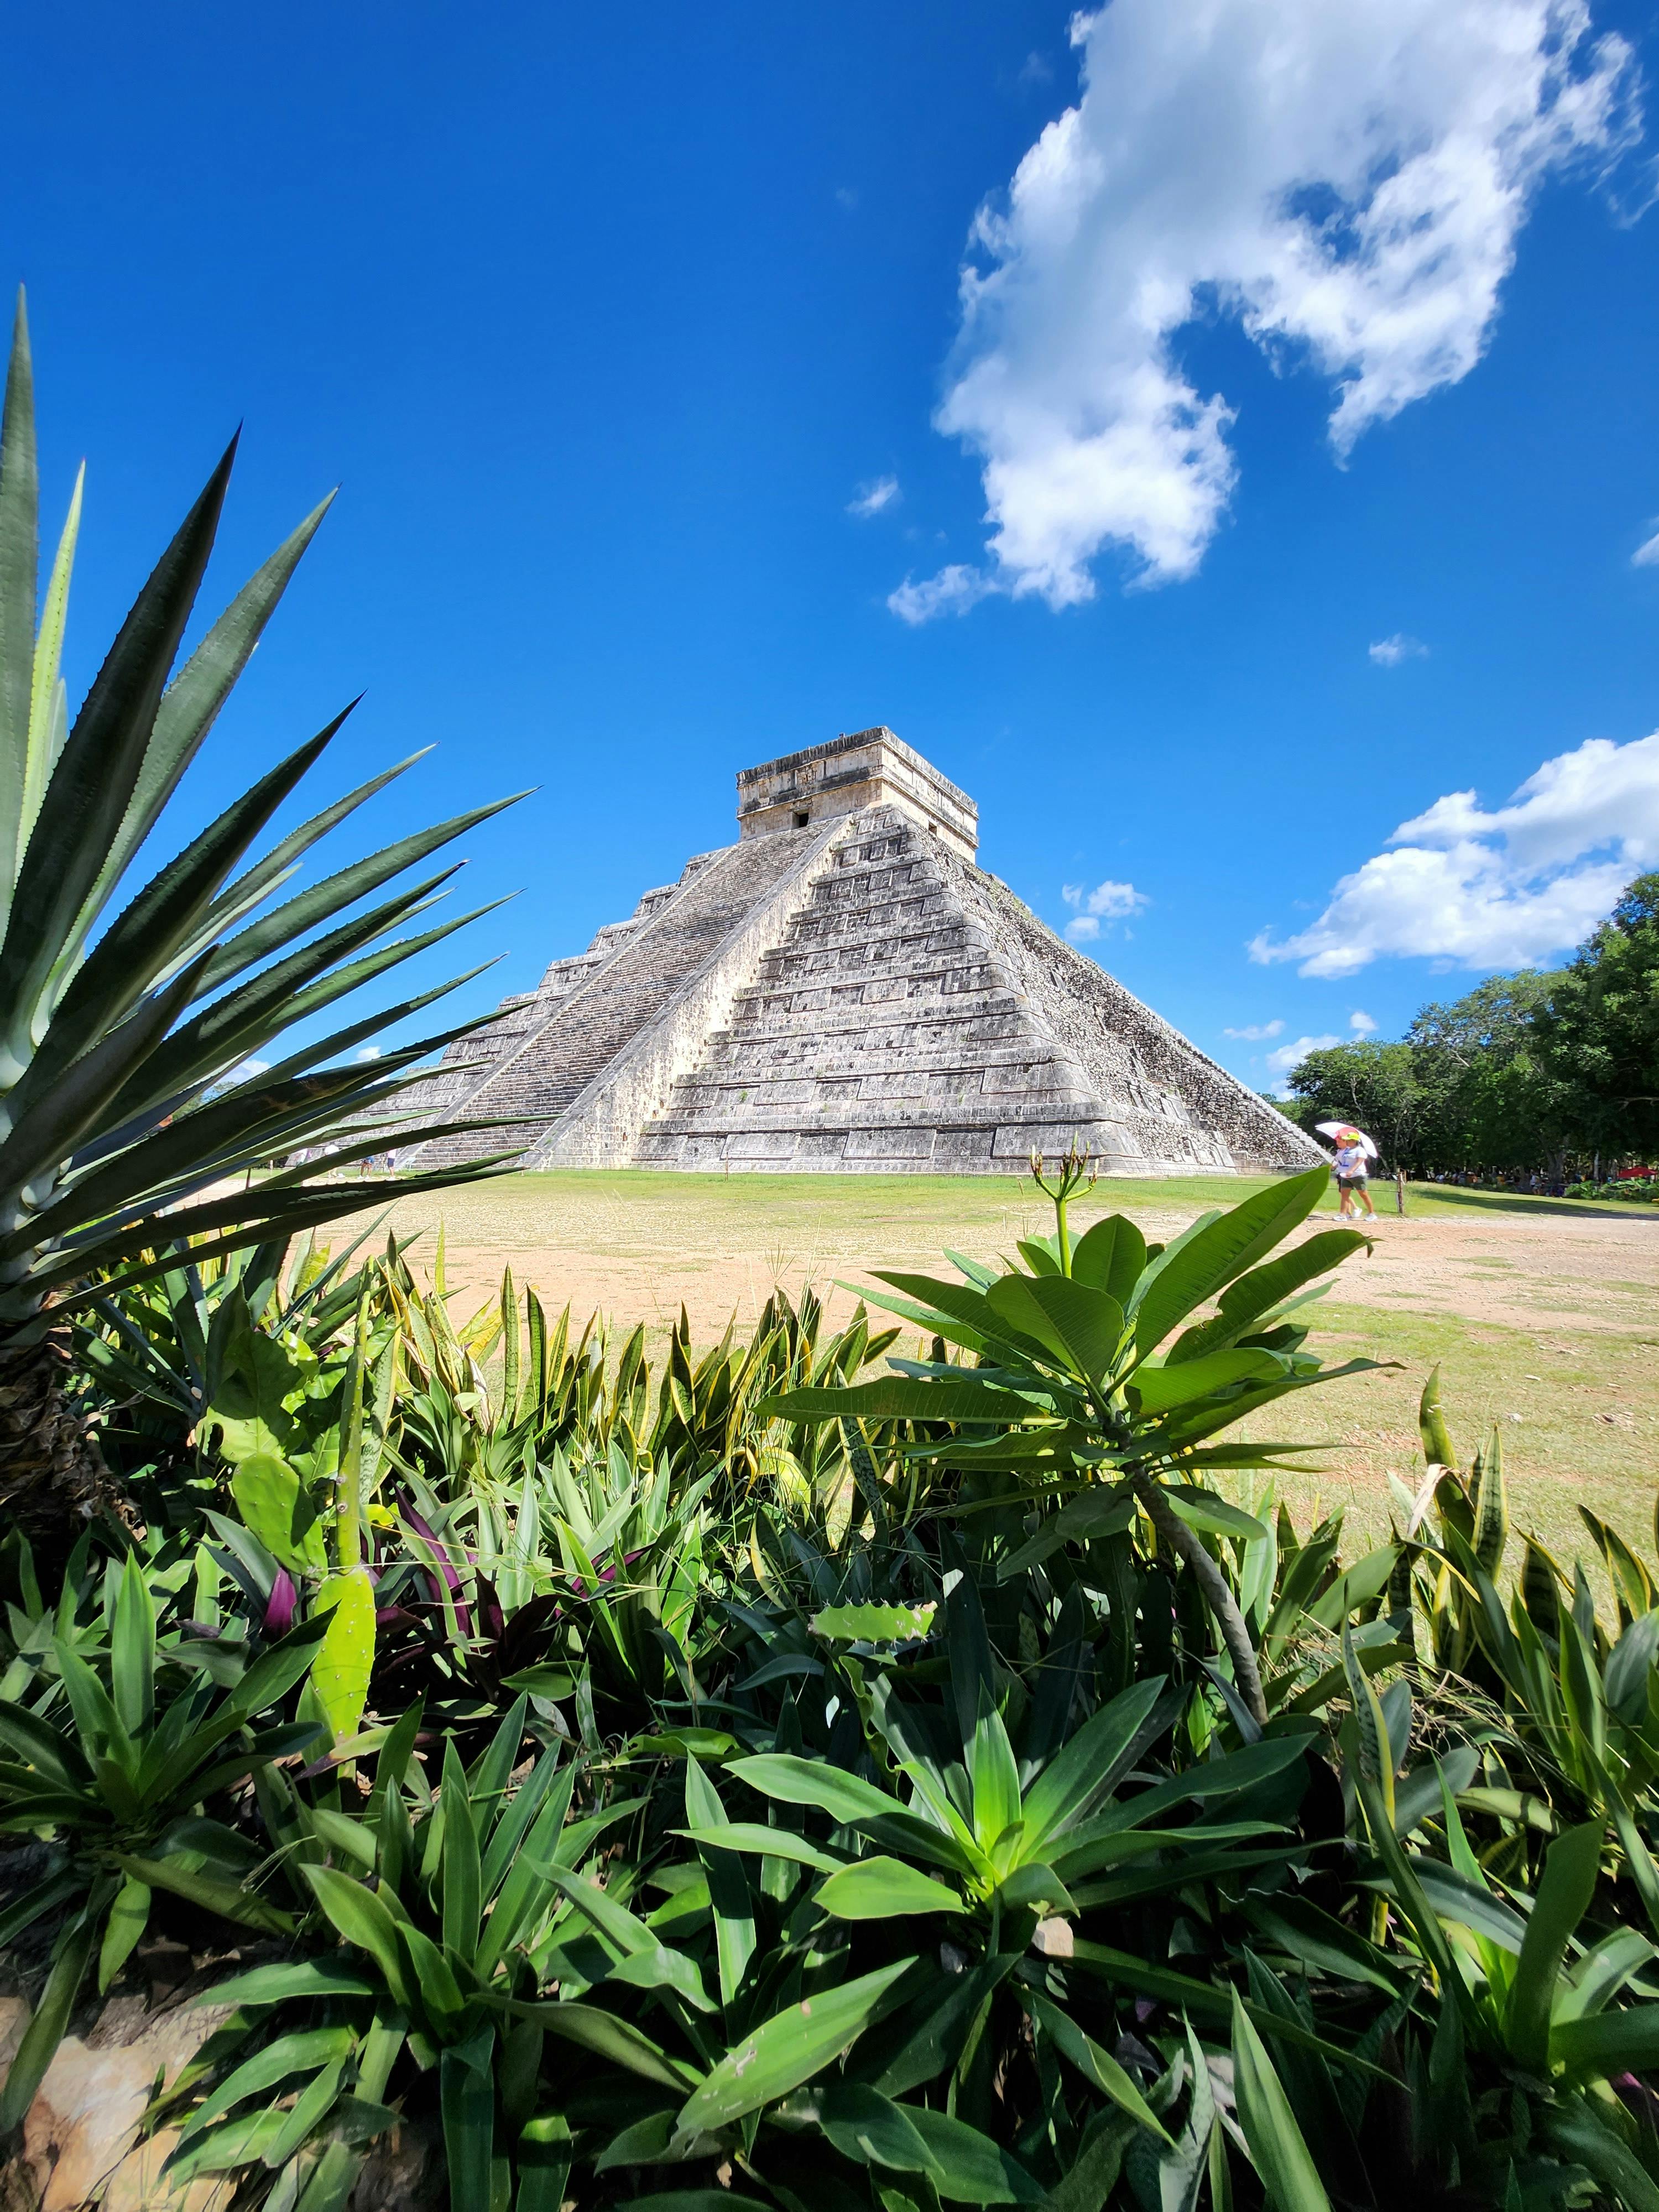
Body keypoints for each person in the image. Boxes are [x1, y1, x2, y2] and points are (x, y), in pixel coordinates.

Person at [1331, 1135, 1376, 1219]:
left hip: (1358, 1175)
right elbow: (1339, 1161)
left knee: (1363, 1194)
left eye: (1348, 1140)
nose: (1346, 1142)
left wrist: (1352, 1171)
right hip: (1345, 1176)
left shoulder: (1360, 1150)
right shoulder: (1345, 1150)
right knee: (1344, 1195)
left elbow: (1359, 1162)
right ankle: (1343, 1215)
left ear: (1354, 1141)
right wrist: (1332, 1167)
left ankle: (1371, 1213)